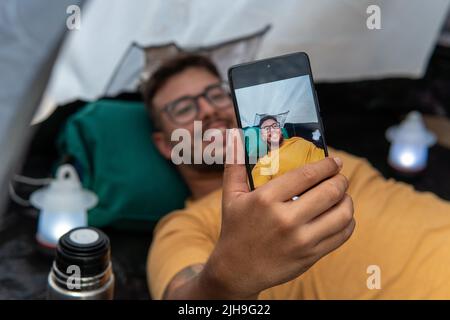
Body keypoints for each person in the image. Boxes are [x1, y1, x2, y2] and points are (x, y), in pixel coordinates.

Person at [144, 54, 450, 299]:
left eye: (215, 94)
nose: (208, 109)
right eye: (183, 108)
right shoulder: (185, 226)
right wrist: (226, 280)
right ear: (165, 144)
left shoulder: (310, 145)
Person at [251, 115, 325, 188]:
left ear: (280, 130)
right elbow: (262, 194)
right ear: (263, 137)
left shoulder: (297, 139)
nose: (272, 130)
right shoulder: (263, 164)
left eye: (275, 126)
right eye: (266, 129)